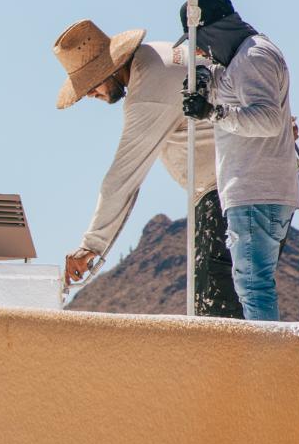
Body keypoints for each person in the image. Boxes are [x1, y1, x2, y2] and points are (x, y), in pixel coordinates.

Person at [51, 18, 240, 317]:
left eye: (90, 85)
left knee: (217, 313)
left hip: (226, 196)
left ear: (110, 69)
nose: (89, 95)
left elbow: (124, 176)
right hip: (256, 181)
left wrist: (91, 245)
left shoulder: (149, 90)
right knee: (248, 302)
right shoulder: (161, 53)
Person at [176, 0, 299, 322]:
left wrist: (213, 112)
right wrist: (208, 80)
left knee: (252, 285)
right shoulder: (246, 57)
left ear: (213, 30)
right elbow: (241, 94)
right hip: (259, 190)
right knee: (252, 282)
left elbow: (270, 120)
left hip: (255, 190)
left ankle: (265, 364)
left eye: (198, 41)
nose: (200, 50)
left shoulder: (253, 58)